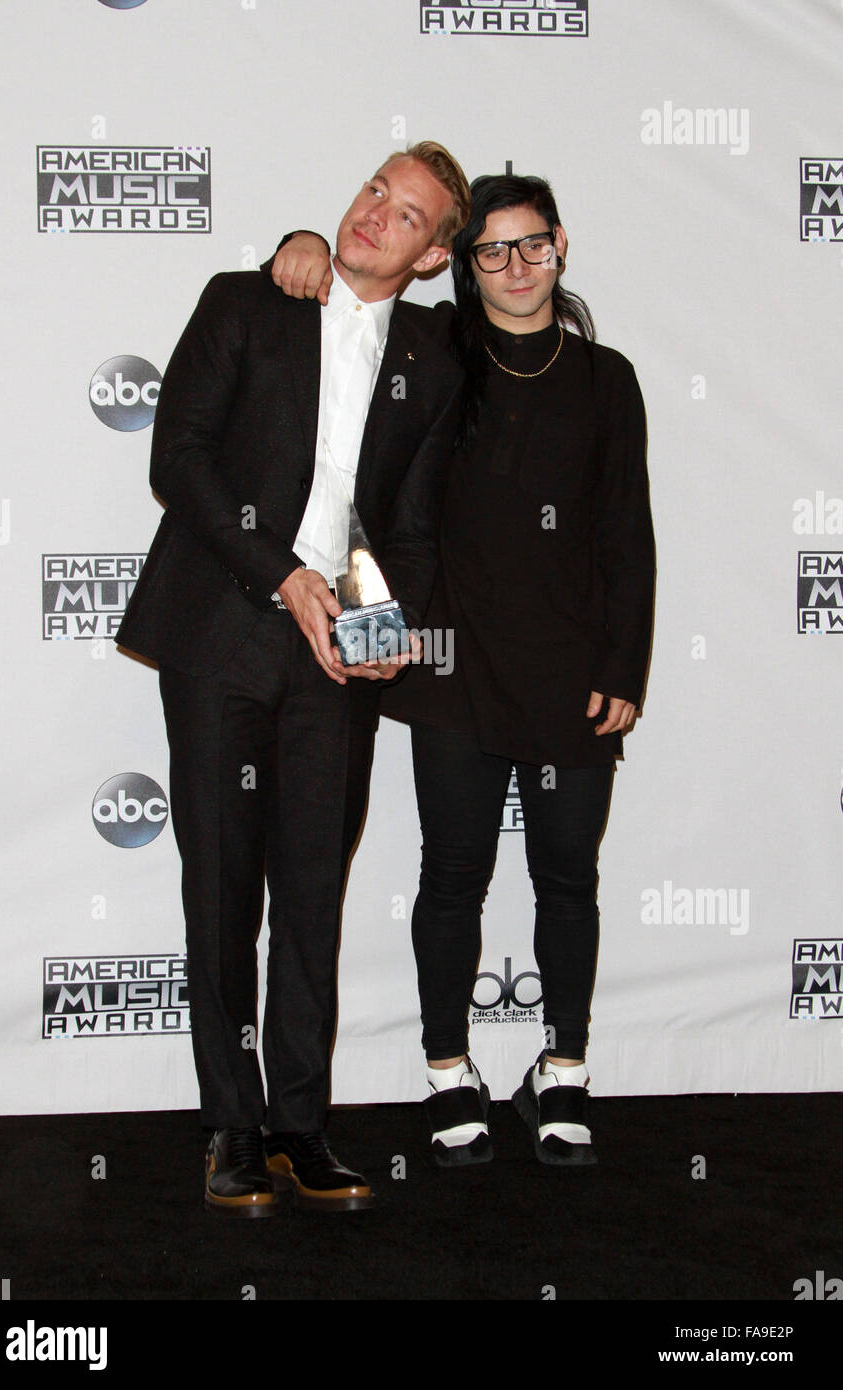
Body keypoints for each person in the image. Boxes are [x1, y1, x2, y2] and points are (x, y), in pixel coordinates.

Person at [271, 173, 655, 1169]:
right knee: (452, 878)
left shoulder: (606, 378)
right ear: (463, 260)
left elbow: (625, 531)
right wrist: (301, 240)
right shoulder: (434, 350)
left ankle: (561, 1065)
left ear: (561, 245)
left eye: (532, 245)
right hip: (444, 663)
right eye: (492, 249)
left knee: (568, 877)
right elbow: (352, 287)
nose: (515, 267)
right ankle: (449, 1070)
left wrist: (624, 661)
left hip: (571, 668)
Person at [116, 143, 470, 1214]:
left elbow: (410, 523)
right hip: (224, 629)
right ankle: (230, 1122)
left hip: (338, 657)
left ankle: (300, 1125)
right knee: (222, 885)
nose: (374, 215)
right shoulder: (251, 298)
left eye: (405, 215)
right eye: (374, 189)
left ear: (431, 255)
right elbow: (175, 456)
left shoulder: (432, 357)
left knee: (311, 888)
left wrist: (379, 610)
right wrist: (282, 577)